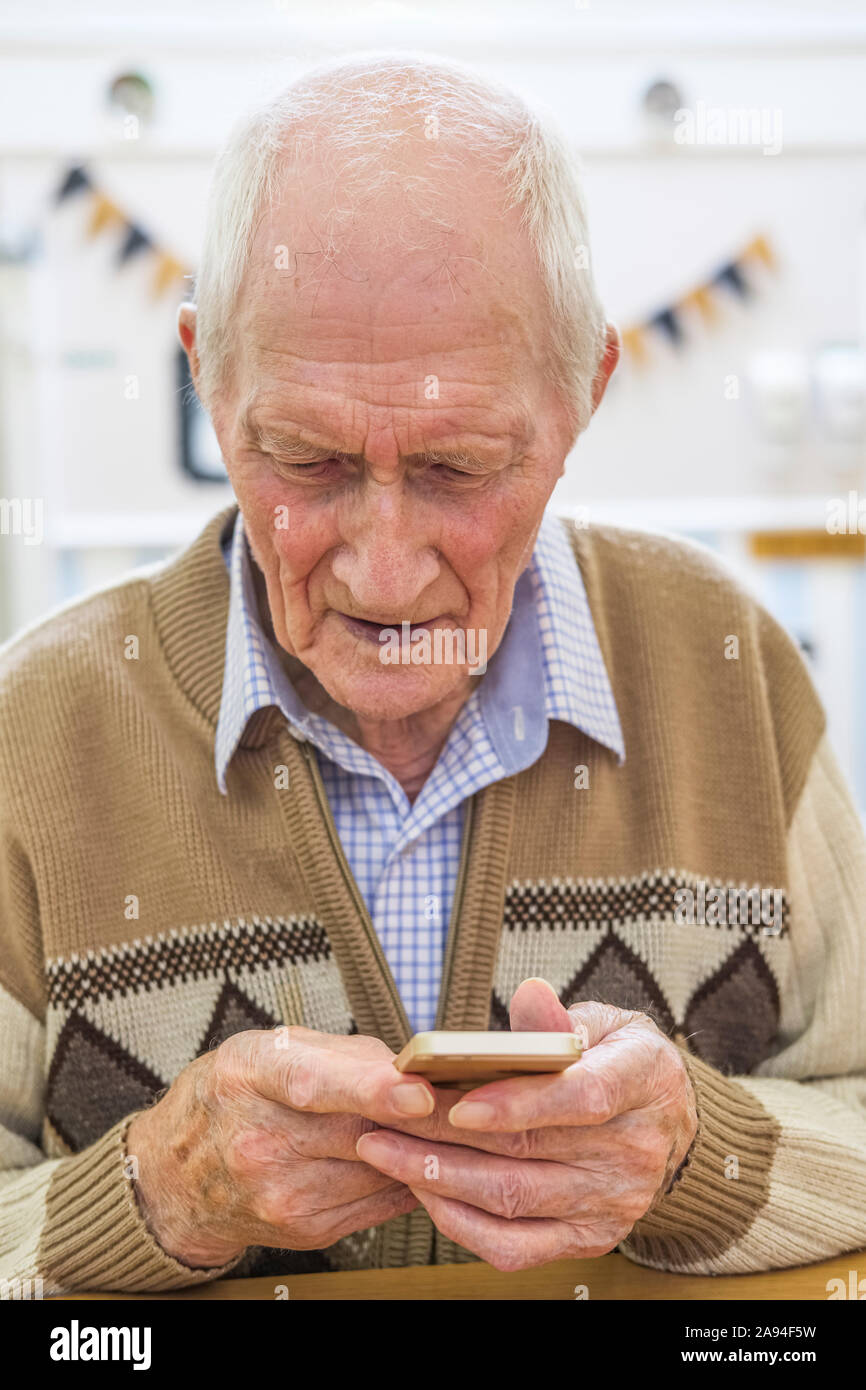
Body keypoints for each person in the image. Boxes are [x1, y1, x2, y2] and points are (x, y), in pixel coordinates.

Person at [1, 52, 864, 1295]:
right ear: (207, 377)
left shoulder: (727, 670)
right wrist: (157, 1191)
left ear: (584, 396)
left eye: (459, 466)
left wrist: (692, 1150)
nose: (388, 570)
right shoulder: (34, 733)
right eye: (305, 461)